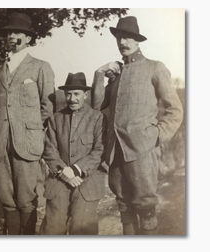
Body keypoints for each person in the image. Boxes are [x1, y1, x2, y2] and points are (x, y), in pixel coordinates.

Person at [92, 16, 183, 235]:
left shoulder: (154, 68)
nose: (123, 42)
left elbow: (175, 110)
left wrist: (155, 136)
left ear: (137, 41)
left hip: (142, 150)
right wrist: (99, 75)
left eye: (128, 38)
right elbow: (95, 106)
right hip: (115, 151)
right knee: (123, 203)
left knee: (145, 204)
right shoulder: (115, 74)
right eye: (120, 37)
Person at [0, 12, 55, 235]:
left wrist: (34, 130)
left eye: (18, 33)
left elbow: (49, 106)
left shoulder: (40, 67)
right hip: (1, 143)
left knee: (26, 199)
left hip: (27, 144)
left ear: (28, 38)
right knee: (6, 198)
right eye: (9, 33)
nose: (12, 36)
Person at [39, 72, 106, 235]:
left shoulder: (97, 118)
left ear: (86, 94)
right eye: (68, 94)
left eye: (76, 94)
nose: (72, 98)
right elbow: (49, 149)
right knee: (52, 229)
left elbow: (99, 150)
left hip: (87, 181)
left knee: (82, 228)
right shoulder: (56, 118)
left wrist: (75, 170)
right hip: (59, 179)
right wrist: (63, 171)